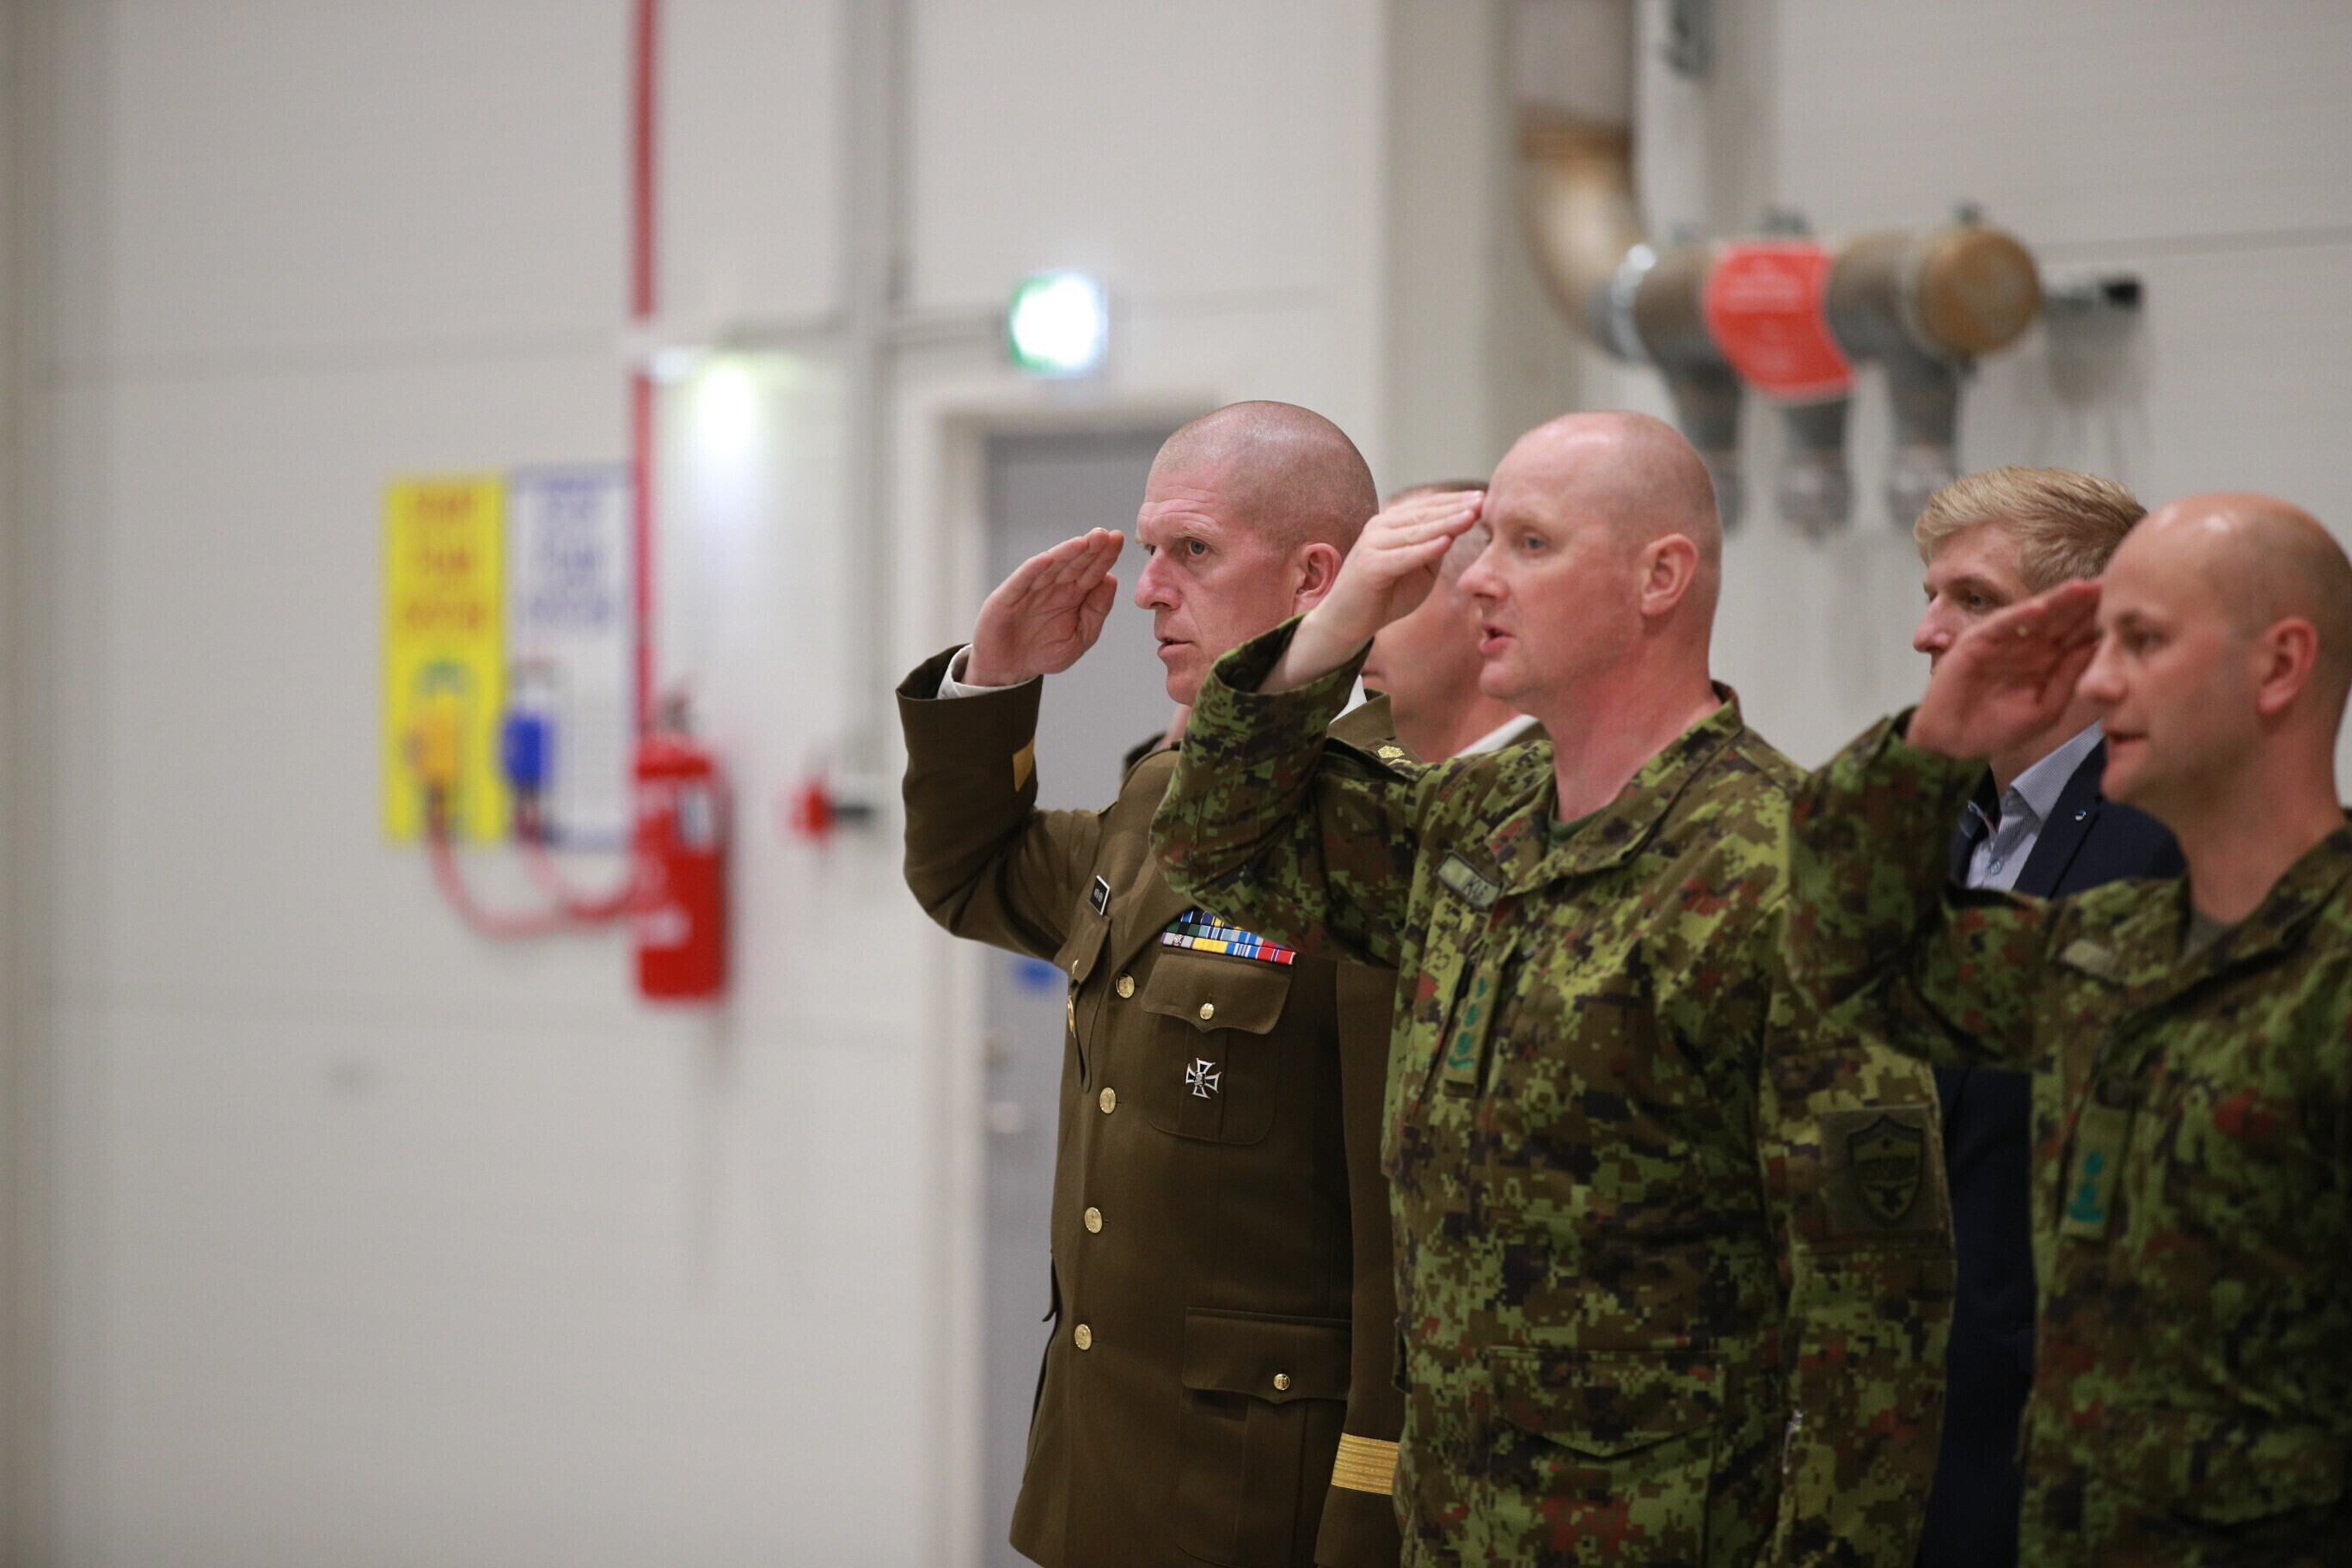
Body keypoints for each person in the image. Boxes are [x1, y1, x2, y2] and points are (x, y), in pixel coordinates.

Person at [1151, 411, 1951, 1565]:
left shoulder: (1791, 870)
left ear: (1659, 578)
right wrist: (1329, 630)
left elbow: (1875, 1317)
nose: (1478, 579)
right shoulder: (1481, 819)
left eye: (1529, 544)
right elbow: (1217, 847)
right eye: (1483, 543)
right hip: (1452, 1527)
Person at [1783, 492, 2352, 1564]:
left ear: (2279, 667)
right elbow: (1852, 958)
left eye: (2143, 643)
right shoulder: (2110, 945)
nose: (2097, 682)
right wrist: (1933, 745)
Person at [898, 401, 1406, 1568]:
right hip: (1101, 1471)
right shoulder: (1160, 792)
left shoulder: (1382, 815)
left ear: (1313, 577)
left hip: (1260, 1500)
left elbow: (1398, 1239)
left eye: (1194, 551)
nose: (1147, 591)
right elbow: (973, 874)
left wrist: (1367, 1509)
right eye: (1148, 550)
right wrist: (993, 680)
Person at [1905, 468, 2183, 1568]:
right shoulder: (1936, 828)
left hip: (2061, 1450)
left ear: (2086, 632)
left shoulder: (2163, 840)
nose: (1929, 632)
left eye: (1974, 600)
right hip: (1903, 1427)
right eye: (1931, 596)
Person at [1358, 481, 1540, 761]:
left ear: (1484, 604)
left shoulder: (1569, 776)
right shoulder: (1353, 774)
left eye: (1390, 593)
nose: (1353, 627)